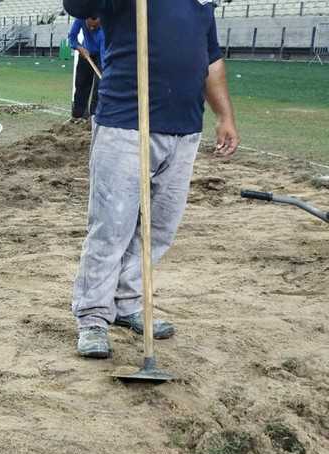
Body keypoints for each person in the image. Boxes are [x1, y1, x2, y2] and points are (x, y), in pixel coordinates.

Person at [64, 0, 240, 358]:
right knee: (111, 226)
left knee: (159, 229)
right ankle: (93, 317)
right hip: (126, 123)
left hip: (185, 127)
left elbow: (211, 58)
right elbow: (77, 5)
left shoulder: (201, 1)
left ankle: (128, 303)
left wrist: (224, 114)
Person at [68, 17, 104, 119]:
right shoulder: (80, 17)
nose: (92, 29)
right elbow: (72, 37)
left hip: (100, 55)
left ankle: (94, 117)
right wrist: (79, 48)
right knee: (81, 84)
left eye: (95, 27)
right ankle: (78, 116)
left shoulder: (105, 30)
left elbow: (104, 56)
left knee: (99, 86)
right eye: (90, 26)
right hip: (85, 51)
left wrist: (103, 71)